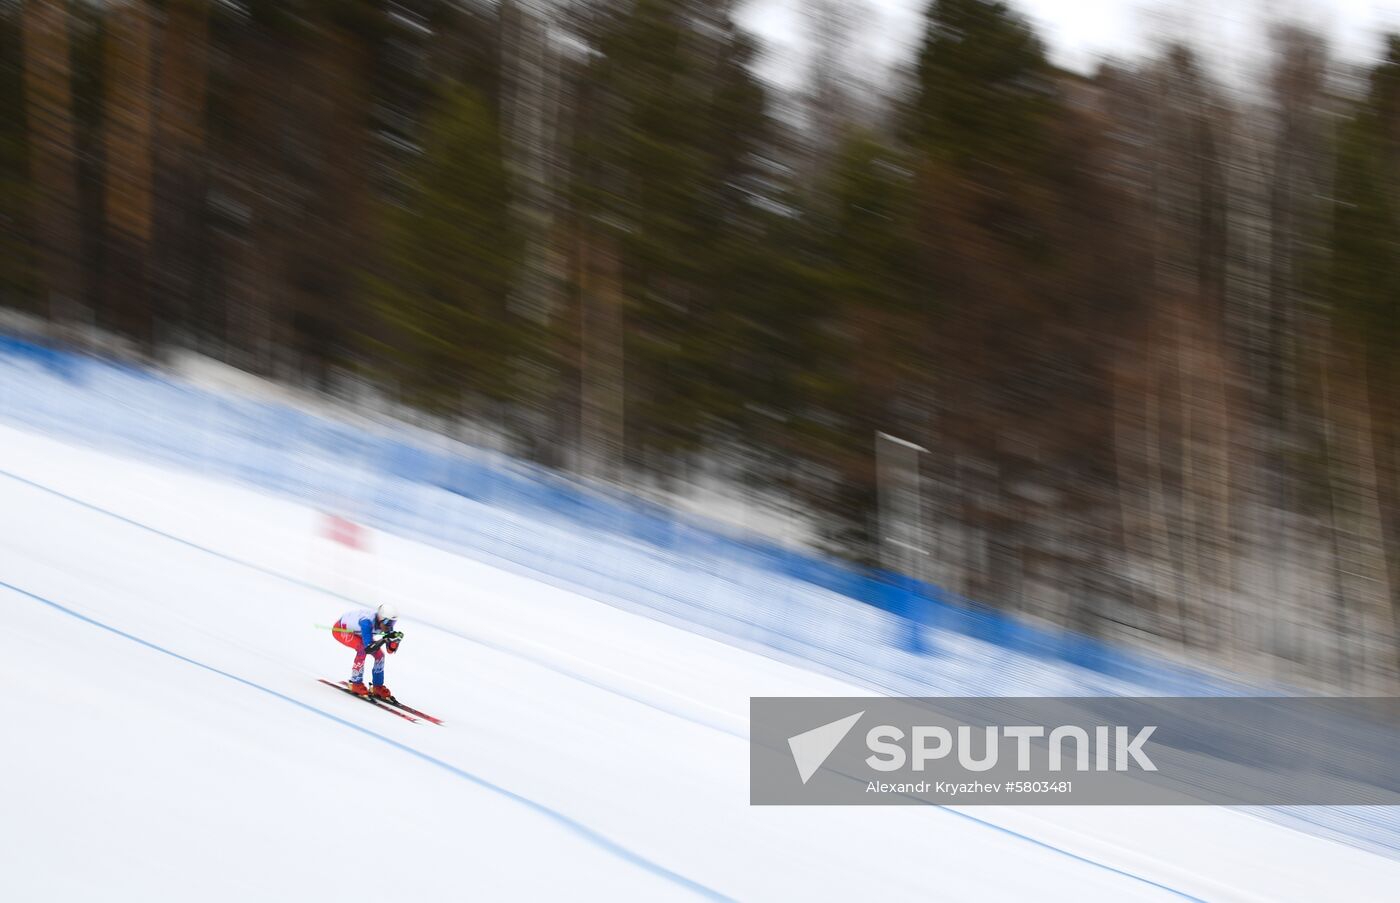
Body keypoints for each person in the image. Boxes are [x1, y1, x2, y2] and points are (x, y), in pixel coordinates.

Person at [332, 603, 403, 698]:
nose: (390, 626)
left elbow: (390, 650)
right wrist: (385, 639)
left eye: (393, 623)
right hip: (340, 630)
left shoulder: (386, 624)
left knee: (380, 656)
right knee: (362, 649)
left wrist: (395, 641)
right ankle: (355, 682)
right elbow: (368, 648)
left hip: (359, 632)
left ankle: (377, 686)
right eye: (388, 622)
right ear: (380, 618)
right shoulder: (367, 622)